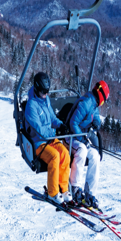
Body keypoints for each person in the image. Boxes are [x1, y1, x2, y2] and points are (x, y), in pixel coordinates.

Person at [25, 72, 71, 205]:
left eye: (47, 91)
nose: (45, 94)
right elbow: (38, 129)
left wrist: (61, 125)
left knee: (65, 154)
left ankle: (63, 189)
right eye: (43, 92)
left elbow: (52, 118)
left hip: (50, 139)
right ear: (36, 88)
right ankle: (53, 193)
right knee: (55, 156)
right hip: (39, 143)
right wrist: (55, 132)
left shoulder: (46, 100)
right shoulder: (31, 106)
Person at [67, 80, 109, 209]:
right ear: (102, 97)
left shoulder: (94, 104)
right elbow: (73, 123)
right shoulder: (86, 103)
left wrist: (96, 123)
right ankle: (75, 188)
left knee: (95, 156)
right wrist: (81, 138)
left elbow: (95, 116)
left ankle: (90, 193)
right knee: (83, 151)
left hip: (82, 138)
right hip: (70, 136)